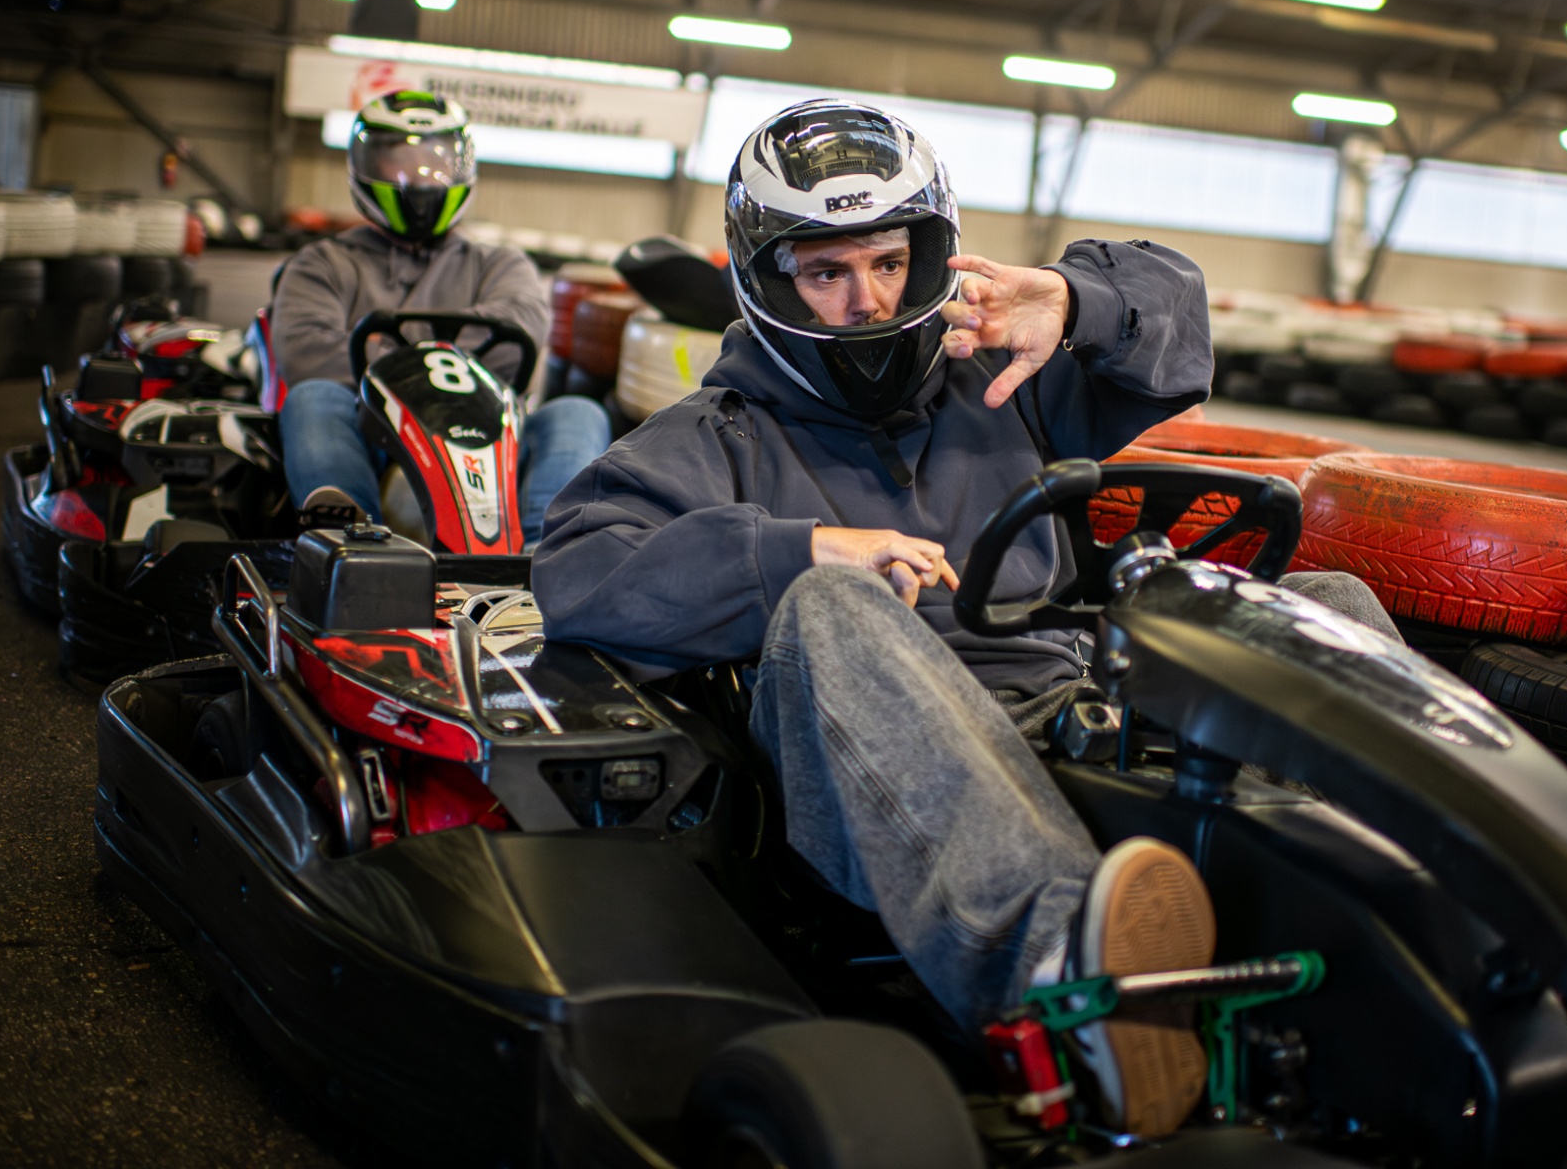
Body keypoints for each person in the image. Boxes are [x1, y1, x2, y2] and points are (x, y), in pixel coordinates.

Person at [533, 100, 1398, 1138]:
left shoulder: (1004, 382)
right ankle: (1068, 980)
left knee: (1323, 606)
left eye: (890, 263)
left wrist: (1073, 301)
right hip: (878, 760)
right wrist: (798, 549)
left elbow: (1176, 326)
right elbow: (577, 573)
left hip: (1075, 710)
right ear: (766, 279)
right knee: (836, 605)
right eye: (827, 272)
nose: (868, 300)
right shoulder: (710, 438)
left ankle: (1423, 908)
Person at [270, 89, 608, 545]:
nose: (420, 176)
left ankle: (542, 552)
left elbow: (518, 339)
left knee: (580, 413)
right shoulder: (322, 263)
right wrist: (448, 355)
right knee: (313, 397)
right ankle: (356, 544)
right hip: (373, 433)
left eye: (435, 159)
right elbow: (306, 351)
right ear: (368, 166)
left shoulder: (499, 264)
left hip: (488, 438)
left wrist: (380, 349)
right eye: (400, 161)